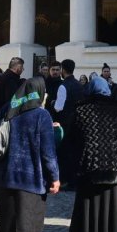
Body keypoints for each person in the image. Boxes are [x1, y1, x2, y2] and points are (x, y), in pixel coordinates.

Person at [0, 77, 60, 232]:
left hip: (5, 179)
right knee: (28, 231)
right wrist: (55, 177)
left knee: (5, 231)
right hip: (30, 182)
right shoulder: (42, 115)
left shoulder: (8, 109)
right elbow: (48, 153)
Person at [67, 75, 117, 232]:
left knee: (88, 212)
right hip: (114, 169)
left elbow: (72, 141)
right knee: (112, 213)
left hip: (89, 169)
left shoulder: (81, 110)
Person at [52, 59, 83, 189]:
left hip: (66, 123)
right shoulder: (79, 85)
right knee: (76, 152)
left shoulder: (63, 86)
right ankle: (75, 180)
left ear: (63, 70)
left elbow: (59, 107)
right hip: (79, 121)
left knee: (65, 152)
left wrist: (52, 103)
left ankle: (66, 180)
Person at [0, 56, 26, 125]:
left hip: (1, 115)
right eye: (22, 68)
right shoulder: (9, 79)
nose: (23, 70)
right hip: (4, 117)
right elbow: (11, 100)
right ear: (18, 68)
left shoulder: (8, 77)